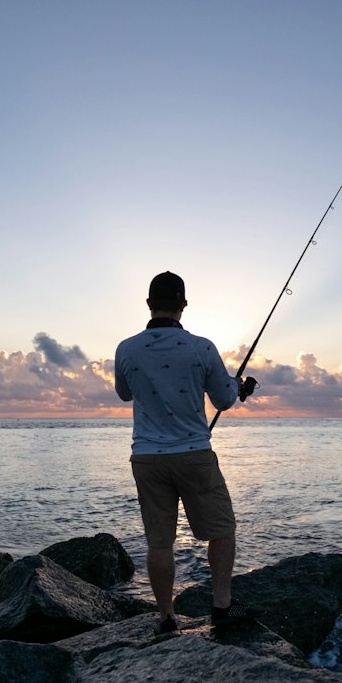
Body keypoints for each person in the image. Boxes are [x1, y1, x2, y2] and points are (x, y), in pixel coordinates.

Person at [114, 271, 254, 636]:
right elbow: (224, 398)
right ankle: (222, 605)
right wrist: (238, 387)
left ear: (148, 304)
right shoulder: (201, 347)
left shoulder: (126, 348)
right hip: (194, 454)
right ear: (183, 306)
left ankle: (166, 618)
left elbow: (124, 394)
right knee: (222, 531)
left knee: (159, 541)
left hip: (146, 458)